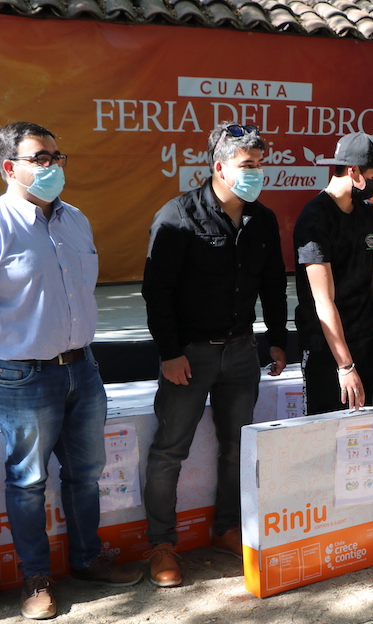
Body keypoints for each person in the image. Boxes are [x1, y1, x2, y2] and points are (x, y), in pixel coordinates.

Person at [0, 122, 142, 620]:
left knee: (86, 473)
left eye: (56, 156)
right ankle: (36, 578)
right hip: (21, 377)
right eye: (40, 159)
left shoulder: (76, 221)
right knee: (27, 480)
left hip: (82, 369)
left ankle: (88, 560)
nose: (52, 166)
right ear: (11, 167)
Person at [141, 123, 288, 587]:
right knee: (170, 451)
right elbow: (156, 293)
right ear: (219, 167)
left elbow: (272, 286)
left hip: (242, 353)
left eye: (260, 165)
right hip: (189, 355)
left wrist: (279, 339)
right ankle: (162, 545)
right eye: (248, 165)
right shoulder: (176, 217)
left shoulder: (262, 219)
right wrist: (169, 354)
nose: (256, 173)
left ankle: (225, 528)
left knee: (236, 448)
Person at [294, 133, 373, 414]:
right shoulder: (315, 218)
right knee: (327, 436)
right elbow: (323, 300)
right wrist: (344, 365)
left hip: (365, 340)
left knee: (364, 436)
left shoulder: (367, 212)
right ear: (353, 171)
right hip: (327, 350)